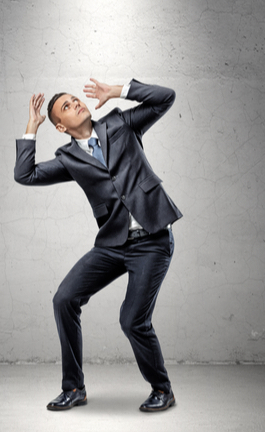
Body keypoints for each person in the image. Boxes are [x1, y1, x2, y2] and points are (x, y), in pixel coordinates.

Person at [14, 78, 182, 412]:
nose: (75, 103)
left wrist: (119, 90)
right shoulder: (68, 159)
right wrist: (32, 127)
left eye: (75, 99)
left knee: (132, 320)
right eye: (66, 106)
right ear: (61, 126)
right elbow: (25, 174)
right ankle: (73, 387)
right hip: (113, 243)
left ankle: (162, 389)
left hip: (151, 241)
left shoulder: (121, 123)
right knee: (64, 298)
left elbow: (166, 98)